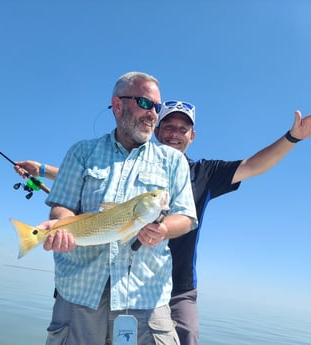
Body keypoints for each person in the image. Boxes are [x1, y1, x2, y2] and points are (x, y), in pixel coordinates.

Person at [15, 102, 311, 345]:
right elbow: (97, 183)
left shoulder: (203, 172)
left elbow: (254, 166)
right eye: (169, 126)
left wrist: (293, 137)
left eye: (183, 128)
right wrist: (43, 170)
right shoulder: (132, 161)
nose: (175, 133)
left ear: (193, 136)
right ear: (155, 129)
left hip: (175, 288)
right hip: (117, 281)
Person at [23, 72, 197, 345]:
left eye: (157, 107)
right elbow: (62, 207)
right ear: (117, 105)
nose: (153, 114)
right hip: (79, 294)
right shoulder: (82, 152)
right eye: (144, 102)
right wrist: (59, 227)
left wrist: (163, 229)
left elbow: (186, 217)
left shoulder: (173, 161)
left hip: (145, 296)